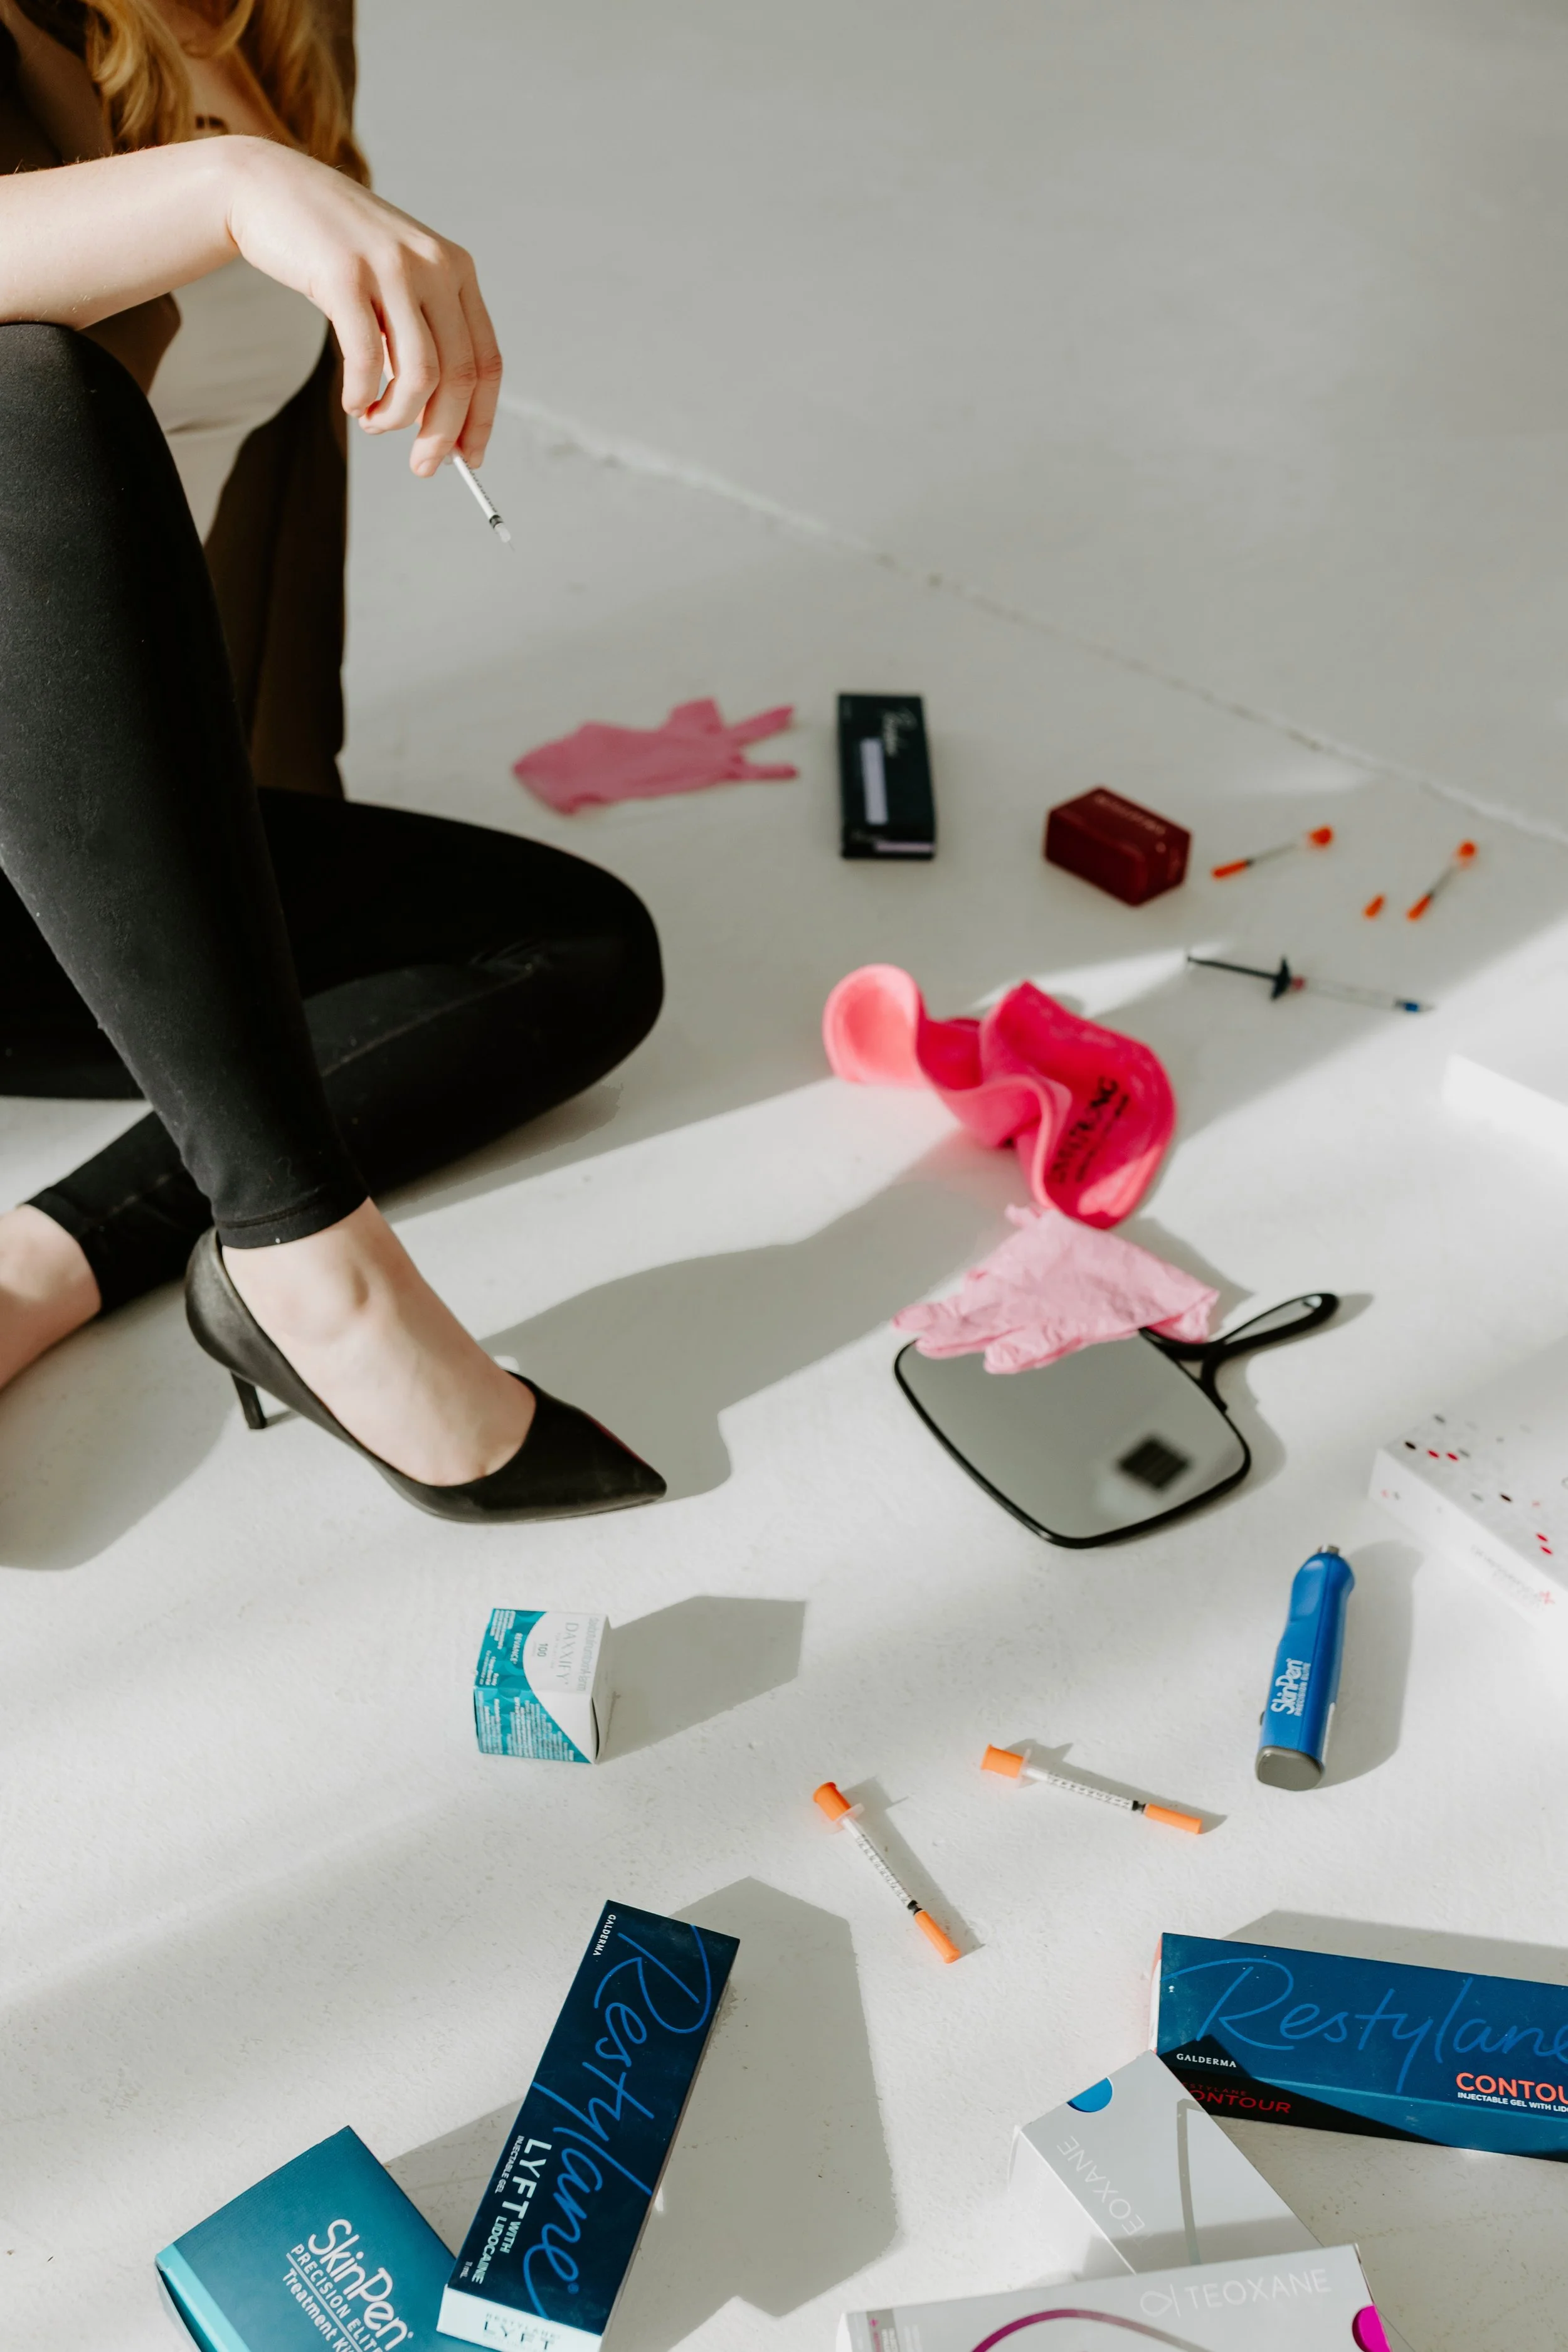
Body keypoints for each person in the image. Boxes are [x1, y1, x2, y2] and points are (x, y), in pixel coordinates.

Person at [0, 0, 665, 1521]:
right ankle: (315, 1266)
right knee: (14, 400)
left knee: (568, 948)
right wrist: (230, 186)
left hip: (46, 833)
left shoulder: (277, 17)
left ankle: (40, 1267)